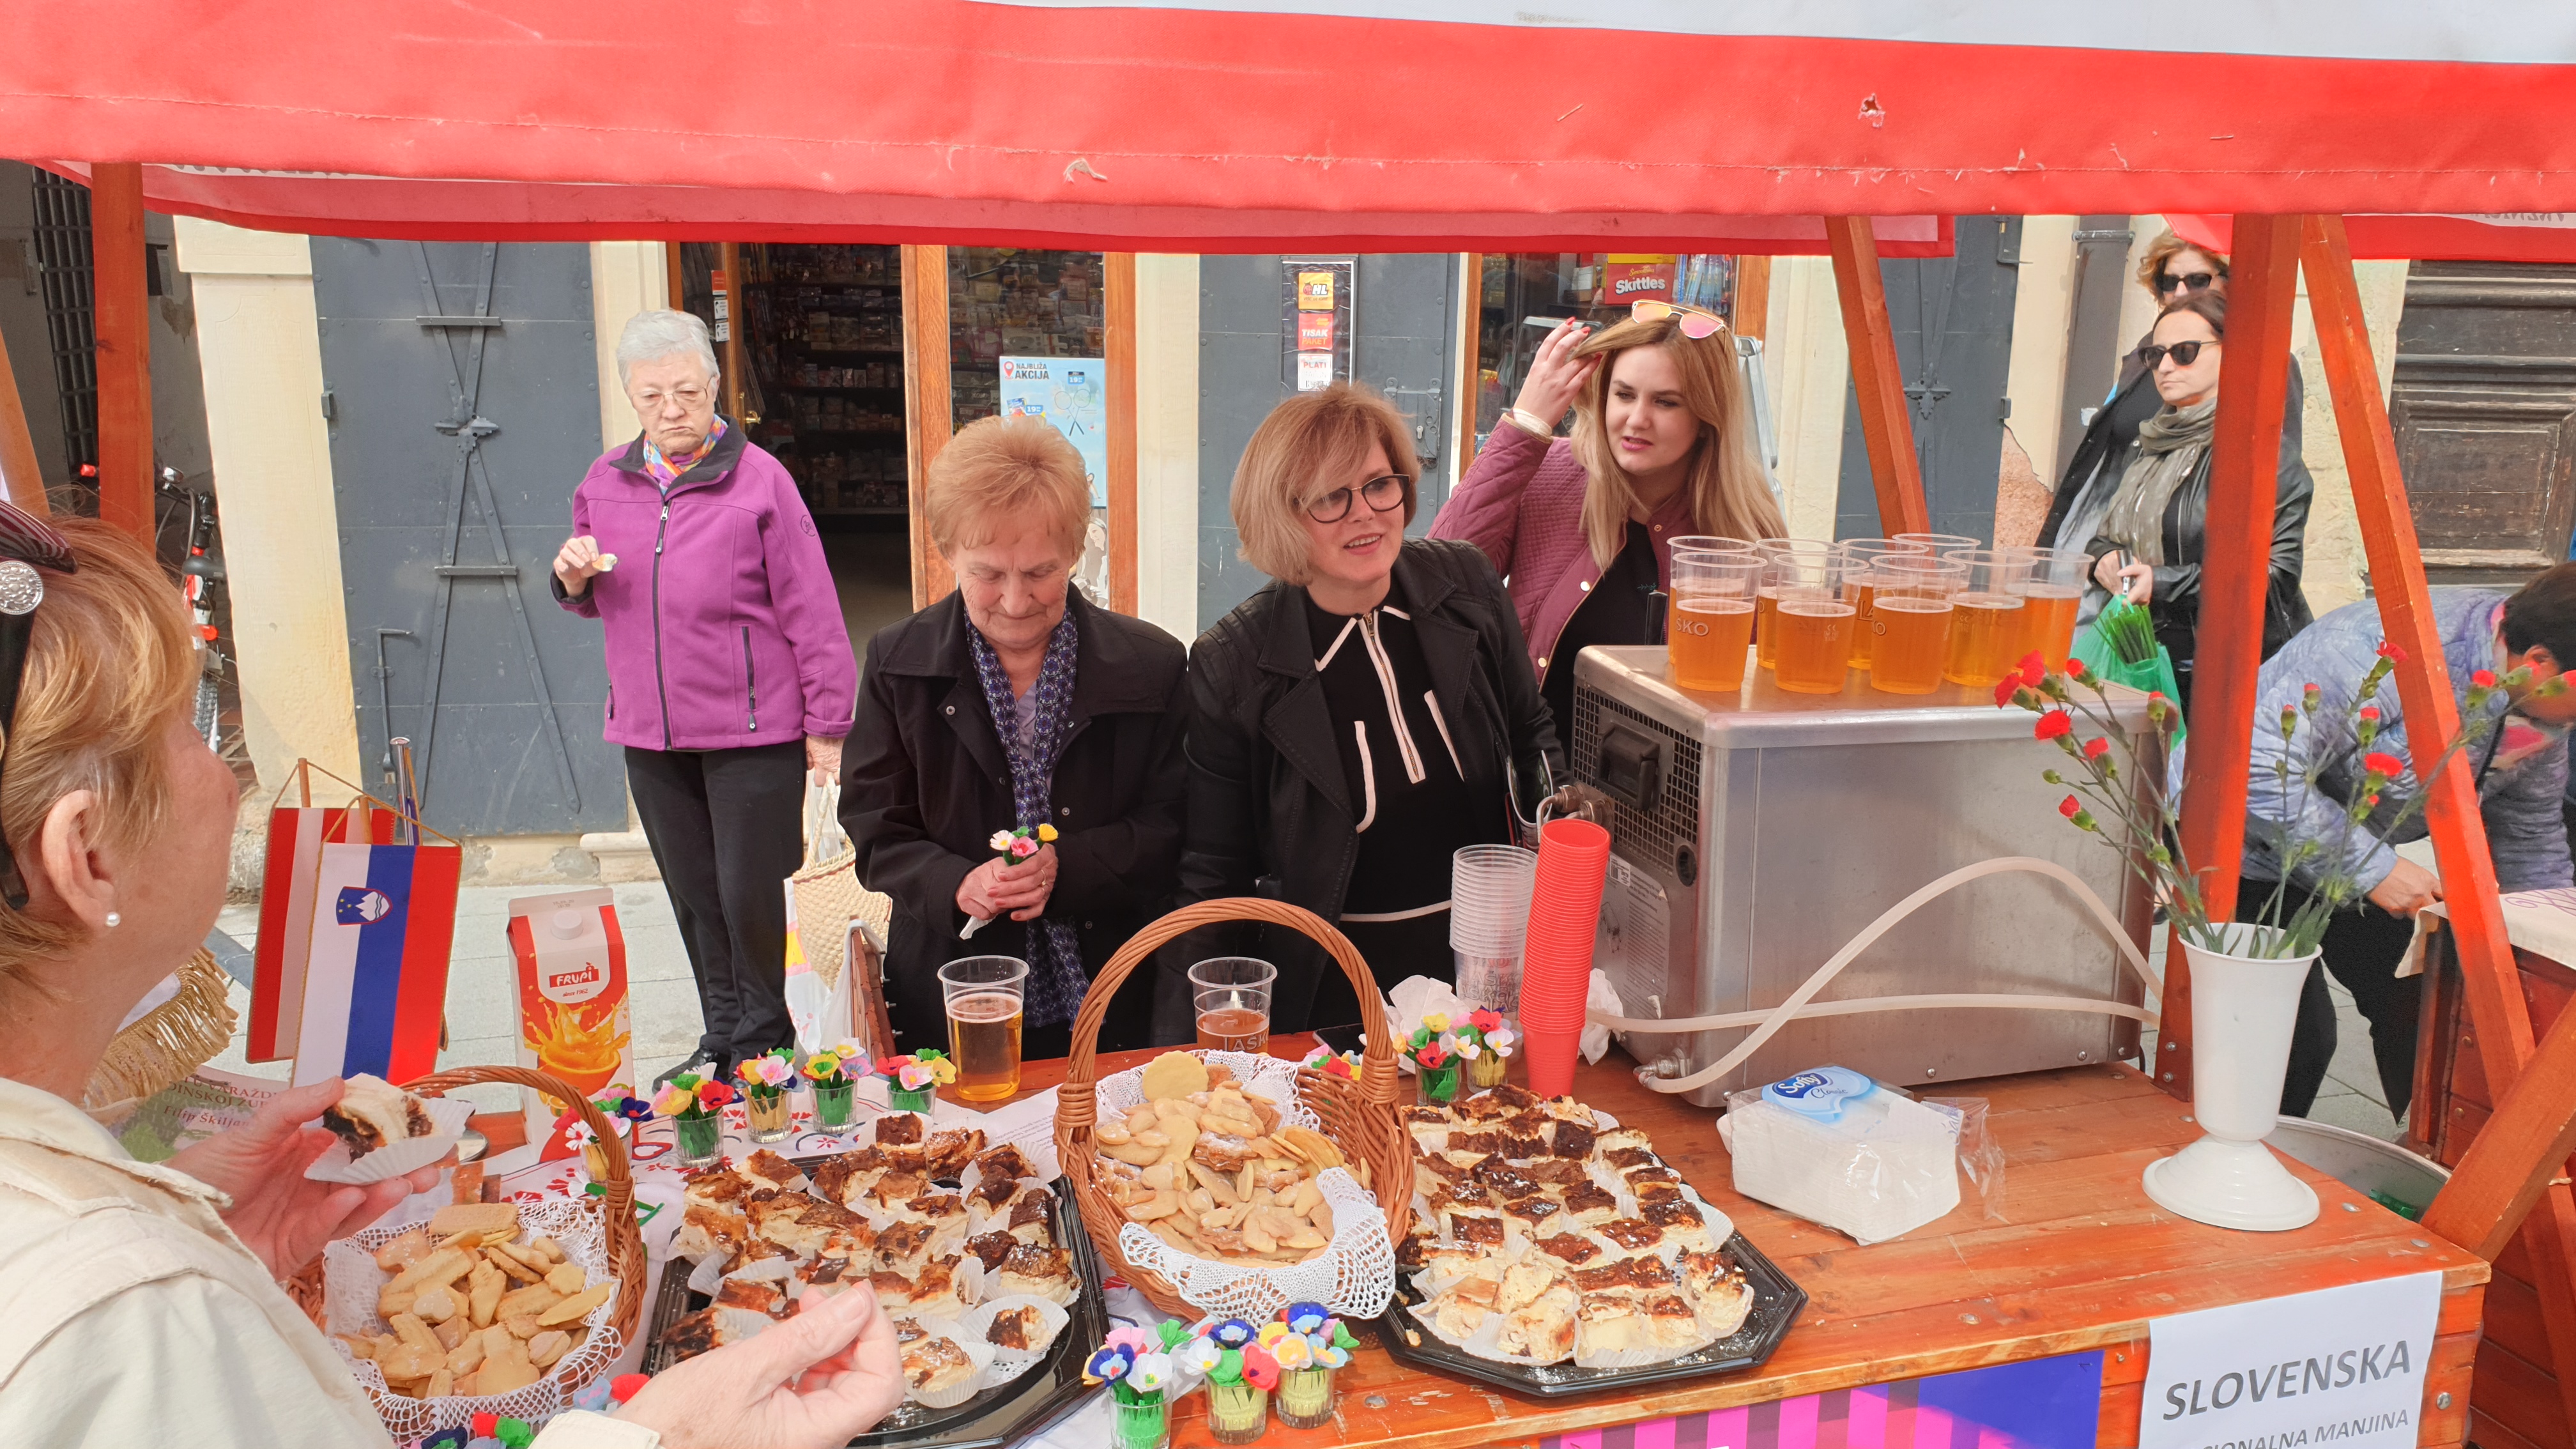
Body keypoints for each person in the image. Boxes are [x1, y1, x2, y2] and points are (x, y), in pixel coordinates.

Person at [0, 511, 901, 1448]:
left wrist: (213, 1245)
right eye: (189, 726)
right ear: (86, 856)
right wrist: (674, 1440)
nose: (229, 776)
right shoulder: (117, 1317)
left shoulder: (116, 1270)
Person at [1175, 385, 1565, 1037]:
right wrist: (1195, 1042)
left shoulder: (1466, 584)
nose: (1366, 515)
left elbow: (1531, 735)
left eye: (1379, 484)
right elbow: (1214, 877)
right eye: (1331, 498)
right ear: (1282, 516)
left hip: (1486, 976)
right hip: (1336, 992)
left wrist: (1553, 819)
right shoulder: (1231, 664)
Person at [553, 309, 855, 1085]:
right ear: (630, 395)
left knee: (747, 894)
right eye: (652, 395)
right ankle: (719, 1036)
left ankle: (765, 1038)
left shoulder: (760, 482)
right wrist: (571, 578)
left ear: (716, 388)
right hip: (652, 733)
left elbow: (812, 607)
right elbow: (593, 595)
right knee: (692, 896)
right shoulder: (603, 482)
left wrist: (828, 727)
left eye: (686, 391)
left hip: (752, 733)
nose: (671, 409)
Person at [841, 415, 1185, 1061]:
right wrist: (956, 884)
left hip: (1116, 987)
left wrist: (1071, 867)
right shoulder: (898, 663)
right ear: (948, 553)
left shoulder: (1153, 666)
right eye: (988, 573)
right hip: (953, 991)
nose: (1017, 599)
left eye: (1040, 572)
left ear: (1078, 552)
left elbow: (1175, 823)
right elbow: (875, 829)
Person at [2242, 567, 2576, 1122]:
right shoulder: (2384, 651)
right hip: (2244, 842)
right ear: (2538, 663)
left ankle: (2434, 1165)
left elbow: (2529, 835)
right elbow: (2258, 770)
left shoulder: (2538, 706)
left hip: (2343, 859)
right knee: (2293, 1041)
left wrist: (2555, 947)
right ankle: (2238, 1173)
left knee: (2425, 1013)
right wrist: (2373, 870)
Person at [1431, 304, 1784, 742]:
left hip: (1674, 798)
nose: (1637, 419)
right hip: (1535, 787)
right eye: (1624, 394)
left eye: (1666, 402)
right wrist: (1524, 428)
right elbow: (1440, 580)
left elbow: (1766, 700)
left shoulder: (1745, 527)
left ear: (1706, 420)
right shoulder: (1552, 472)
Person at [2037, 231, 2316, 688]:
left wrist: (2160, 582)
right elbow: (2107, 527)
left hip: (2222, 671)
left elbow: (2273, 577)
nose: (2165, 367)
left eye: (2185, 354)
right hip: (2144, 652)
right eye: (2156, 355)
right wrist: (2103, 559)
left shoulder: (2258, 451)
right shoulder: (2154, 440)